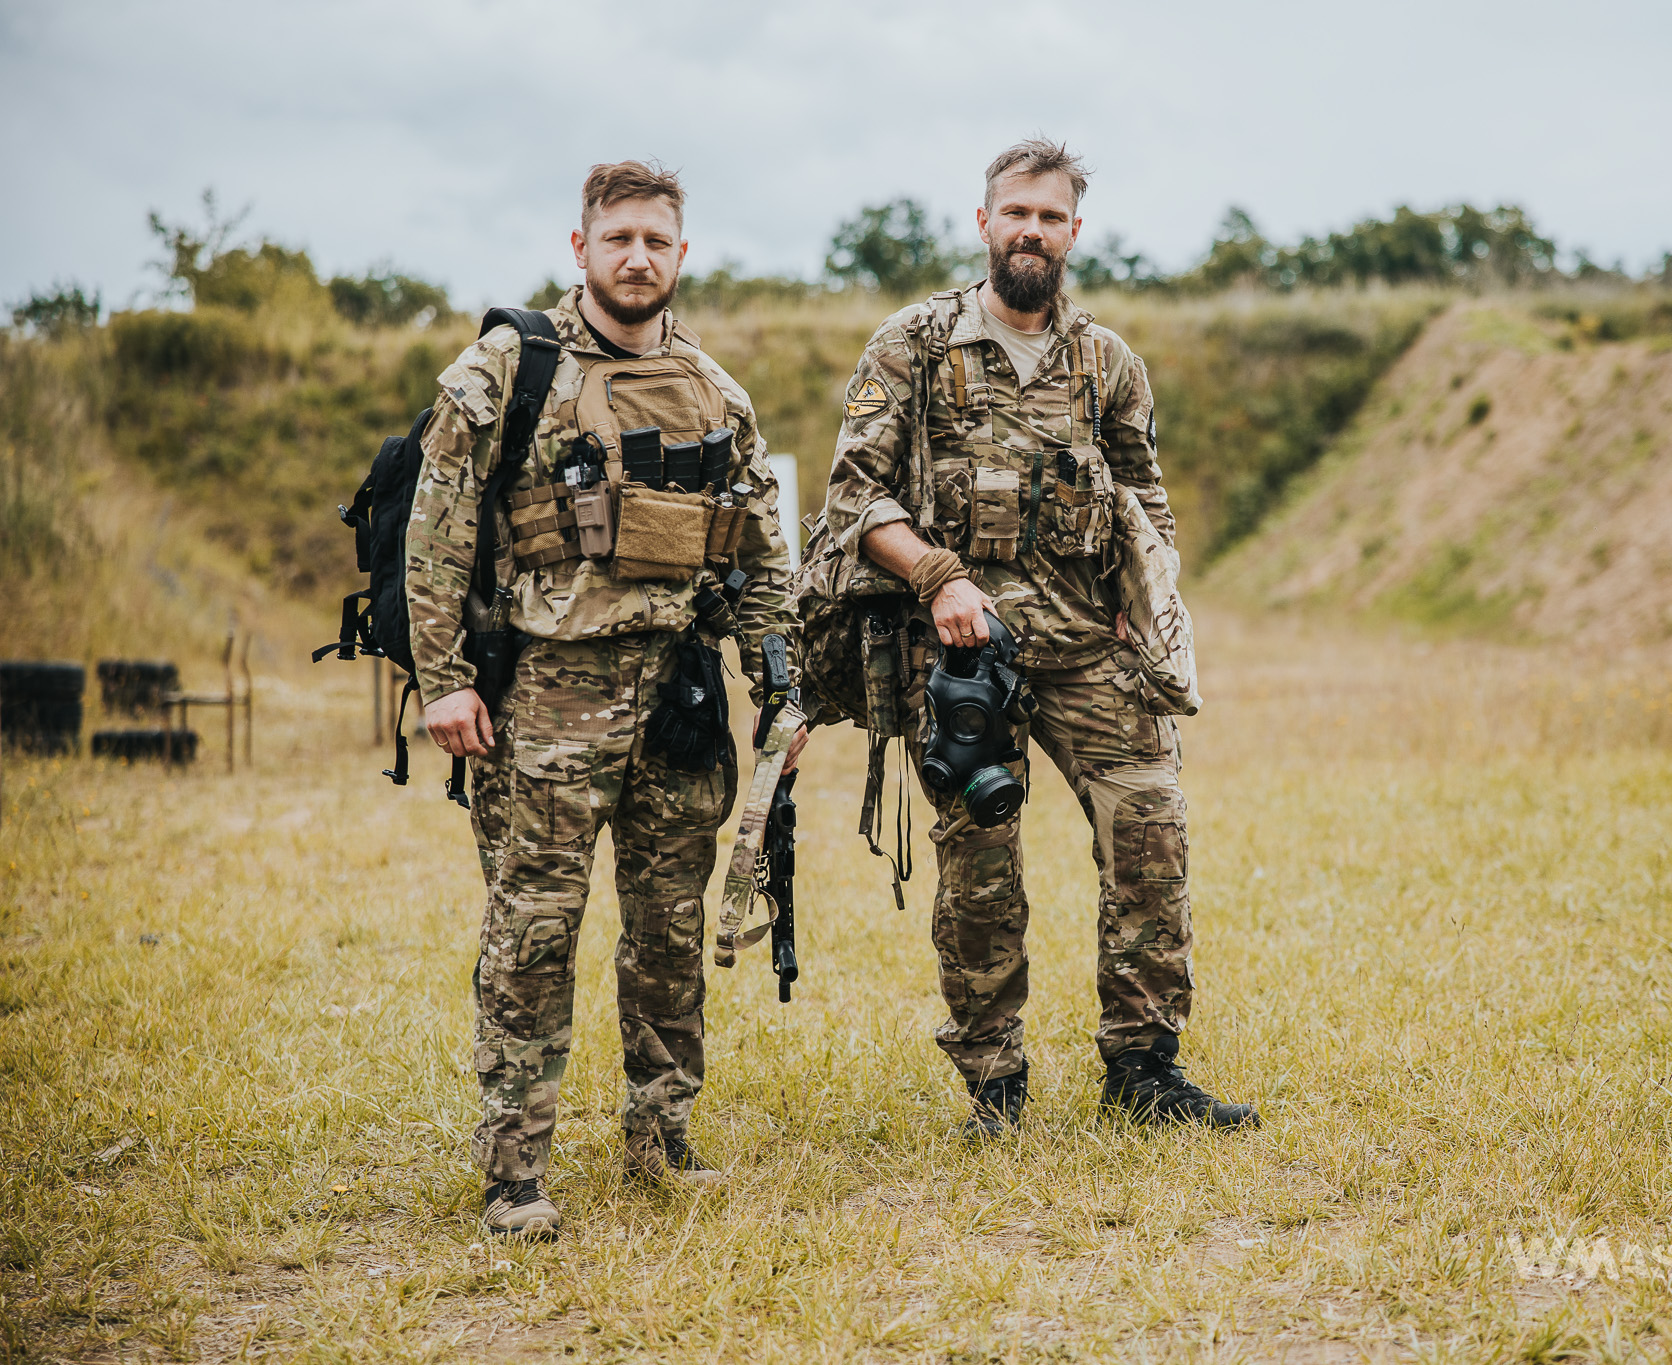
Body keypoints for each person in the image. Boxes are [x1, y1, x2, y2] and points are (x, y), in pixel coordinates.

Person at [821, 139, 1257, 1136]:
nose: (1029, 231)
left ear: (1072, 233)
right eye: (1013, 213)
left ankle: (1144, 1072)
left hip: (1089, 653)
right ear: (982, 224)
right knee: (979, 870)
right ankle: (995, 1088)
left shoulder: (1107, 364)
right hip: (964, 655)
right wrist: (937, 579)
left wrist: (1141, 600)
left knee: (1151, 840)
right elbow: (855, 495)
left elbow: (1144, 496)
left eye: (1048, 217)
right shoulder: (913, 345)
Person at [407, 160, 807, 1237]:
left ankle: (661, 1137)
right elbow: (436, 533)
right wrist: (442, 683)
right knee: (532, 930)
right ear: (578, 248)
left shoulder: (718, 394)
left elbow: (760, 556)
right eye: (617, 237)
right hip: (547, 698)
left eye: (656, 240)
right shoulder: (508, 370)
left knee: (669, 931)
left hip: (676, 700)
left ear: (683, 254)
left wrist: (781, 686)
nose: (638, 257)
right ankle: (515, 1174)